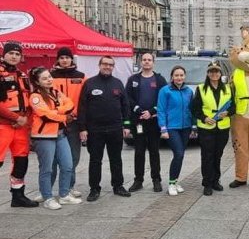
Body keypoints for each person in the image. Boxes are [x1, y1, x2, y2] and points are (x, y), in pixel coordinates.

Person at [78, 56, 132, 202]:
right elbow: (82, 107)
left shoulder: (118, 83)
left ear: (113, 67)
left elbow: (125, 105)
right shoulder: (90, 83)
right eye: (105, 64)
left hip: (115, 128)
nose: (107, 67)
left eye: (110, 65)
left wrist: (127, 125)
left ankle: (118, 186)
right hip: (95, 129)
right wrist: (82, 128)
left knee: (116, 159)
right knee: (95, 160)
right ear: (99, 65)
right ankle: (94, 188)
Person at [29, 67, 82, 210]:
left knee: (68, 165)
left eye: (49, 77)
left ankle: (64, 194)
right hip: (44, 136)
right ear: (37, 82)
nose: (49, 80)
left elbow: (70, 104)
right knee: (47, 169)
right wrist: (63, 116)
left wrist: (57, 110)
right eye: (45, 78)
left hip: (60, 134)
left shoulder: (56, 92)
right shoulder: (35, 96)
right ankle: (47, 197)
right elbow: (45, 115)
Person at [0, 41, 38, 208]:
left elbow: (29, 102)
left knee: (21, 161)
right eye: (11, 53)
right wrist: (15, 118)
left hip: (21, 127)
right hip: (3, 125)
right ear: (4, 54)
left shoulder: (22, 75)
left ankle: (18, 196)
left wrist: (26, 121)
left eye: (17, 54)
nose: (14, 56)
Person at [191, 61, 234, 196]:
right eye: (211, 71)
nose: (214, 74)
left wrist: (227, 113)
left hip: (222, 127)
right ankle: (207, 183)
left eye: (217, 71)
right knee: (207, 156)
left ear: (220, 74)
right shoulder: (201, 88)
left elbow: (234, 106)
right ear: (208, 73)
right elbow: (195, 109)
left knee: (218, 155)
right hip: (206, 127)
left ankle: (216, 180)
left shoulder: (227, 88)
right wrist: (204, 118)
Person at [126, 53, 167, 193]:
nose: (147, 62)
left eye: (149, 60)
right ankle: (138, 181)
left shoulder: (160, 80)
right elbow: (128, 98)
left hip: (154, 121)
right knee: (139, 152)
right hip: (138, 122)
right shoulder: (133, 79)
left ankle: (156, 180)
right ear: (140, 62)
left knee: (154, 151)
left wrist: (151, 111)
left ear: (153, 62)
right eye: (144, 60)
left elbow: (163, 99)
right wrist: (138, 110)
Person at [49, 46, 86, 200]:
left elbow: (84, 100)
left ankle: (69, 186)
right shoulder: (50, 76)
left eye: (67, 57)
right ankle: (47, 189)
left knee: (74, 157)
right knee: (52, 158)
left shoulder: (81, 76)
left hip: (75, 122)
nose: (64, 60)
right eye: (62, 57)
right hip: (55, 121)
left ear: (72, 59)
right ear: (58, 59)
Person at [157, 65, 193, 196]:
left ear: (185, 76)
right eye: (176, 75)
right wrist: (163, 128)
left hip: (186, 127)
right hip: (171, 128)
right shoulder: (165, 90)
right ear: (172, 77)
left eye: (181, 75)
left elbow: (191, 109)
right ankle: (171, 184)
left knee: (181, 155)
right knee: (178, 154)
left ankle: (175, 181)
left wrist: (194, 125)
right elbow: (161, 110)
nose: (179, 77)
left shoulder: (188, 91)